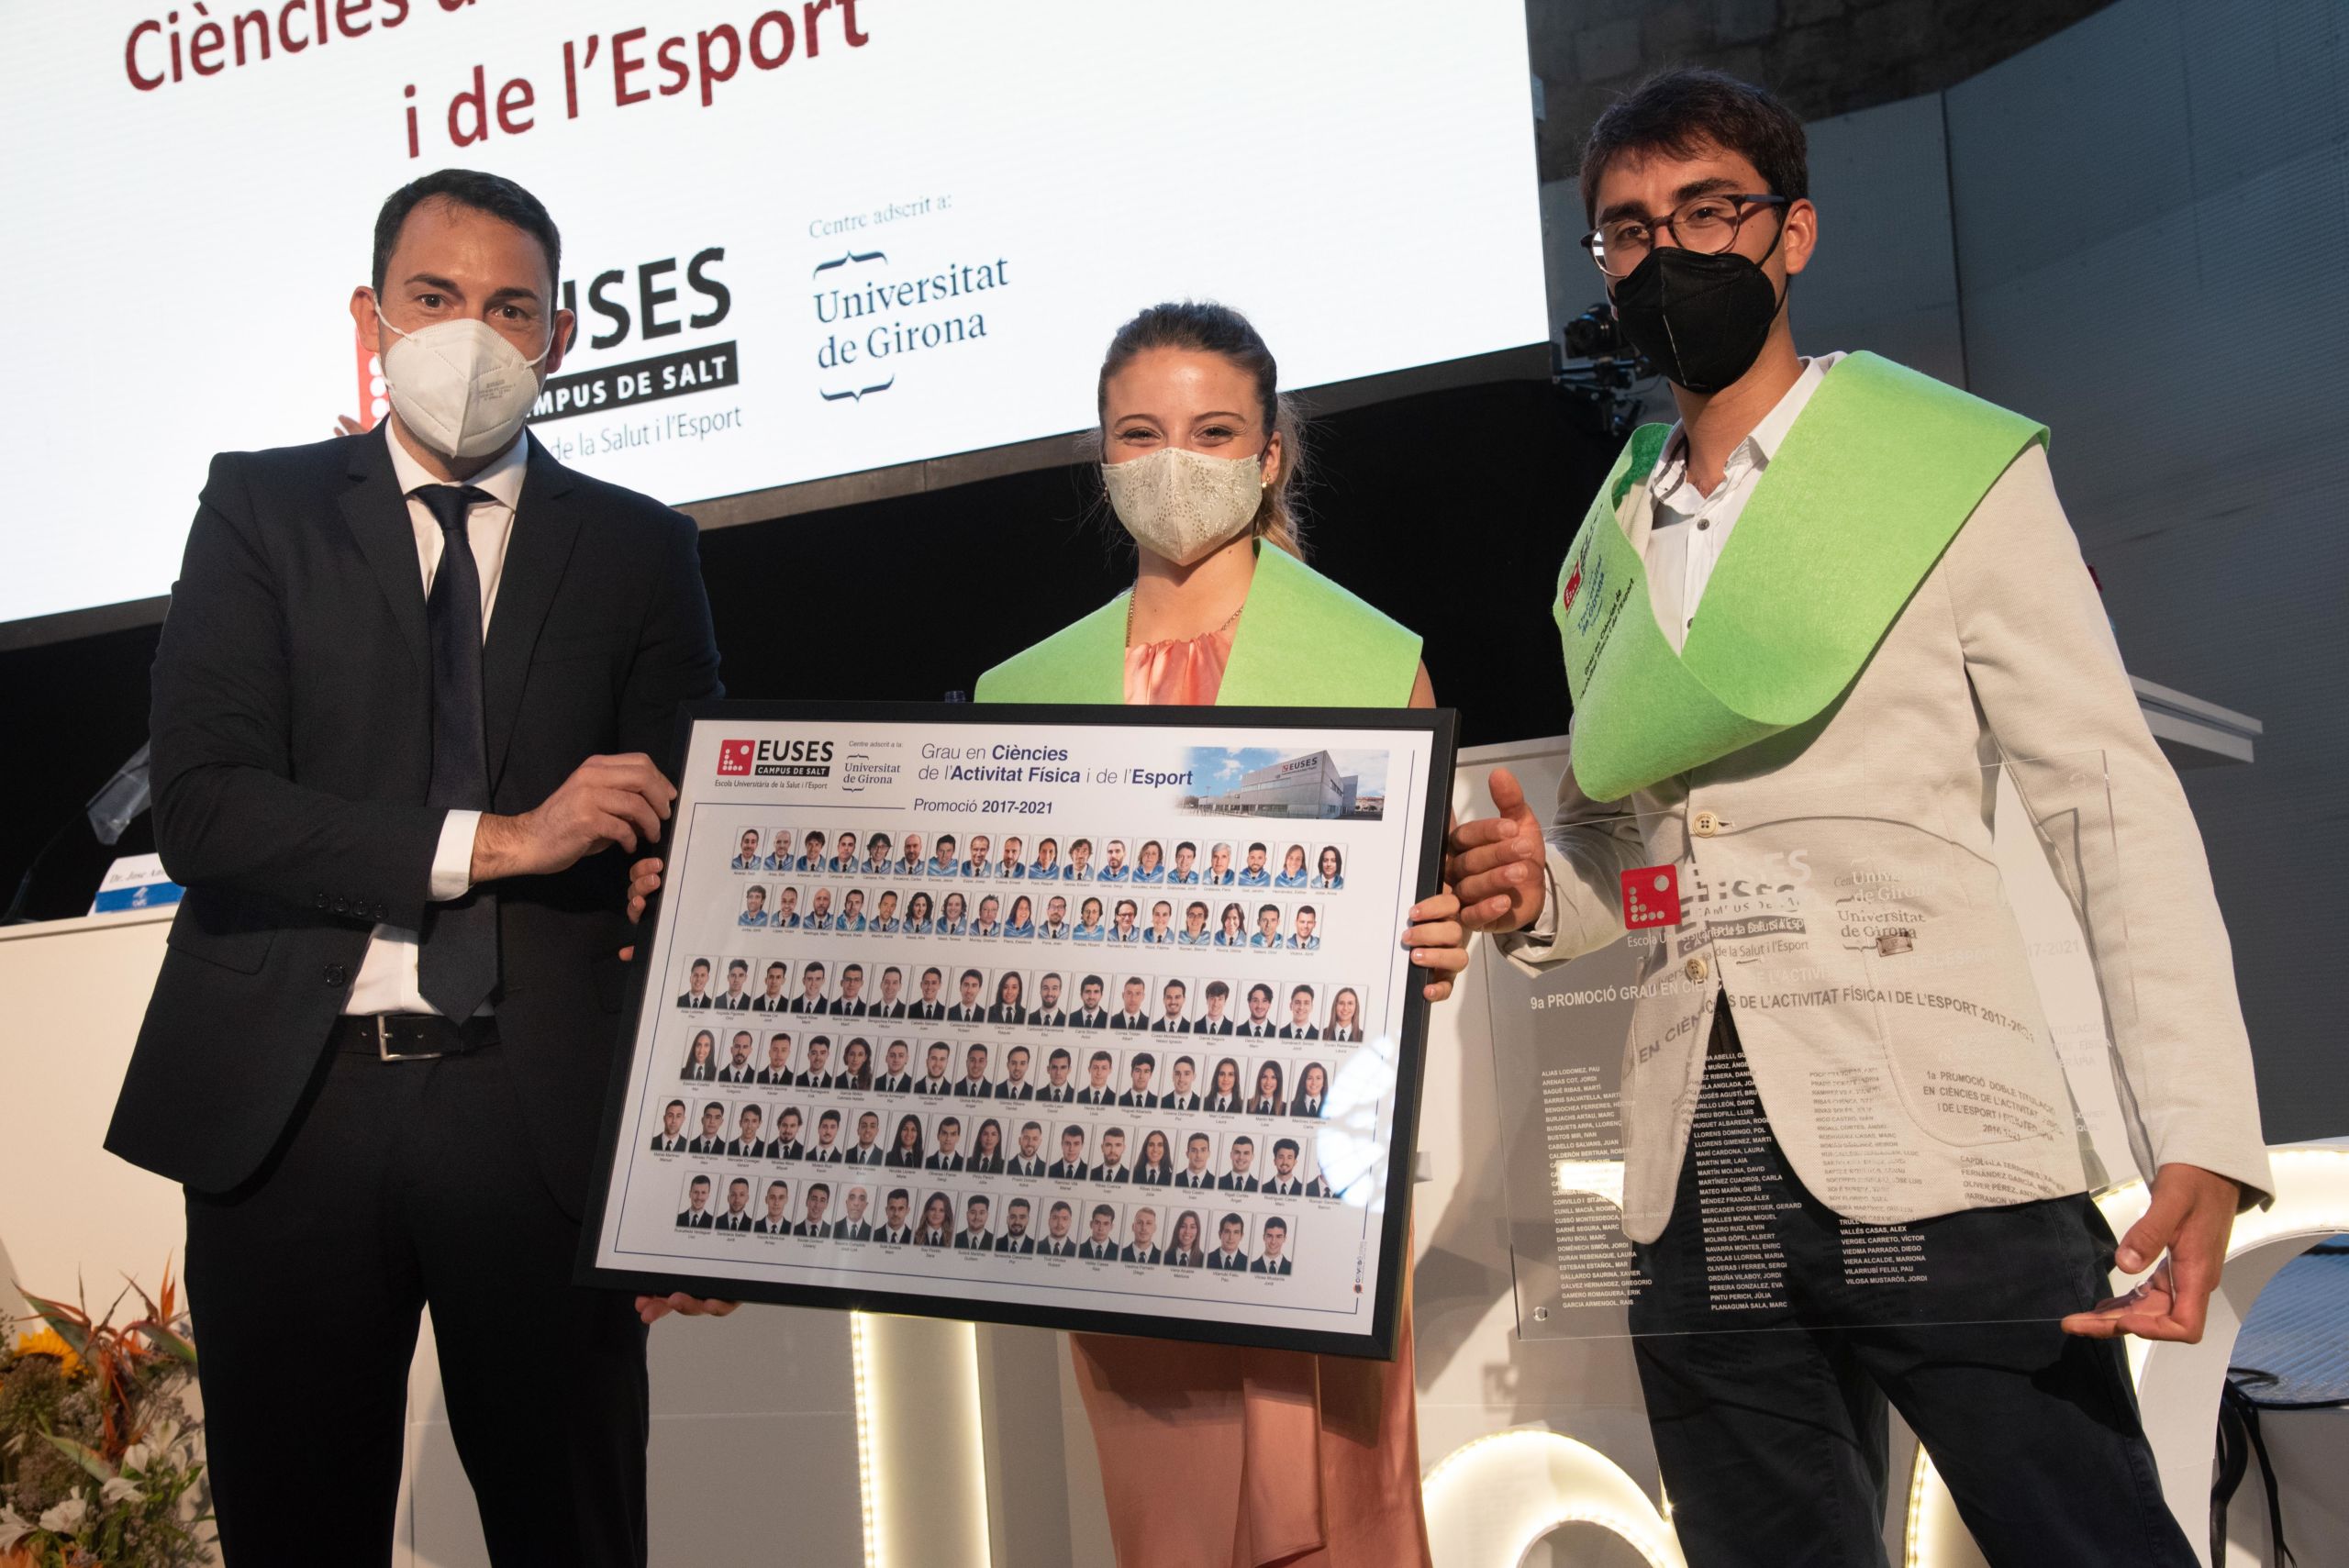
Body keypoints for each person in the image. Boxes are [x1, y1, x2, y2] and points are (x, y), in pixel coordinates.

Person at [1442, 70, 2274, 1568]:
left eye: (1708, 212)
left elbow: (2107, 802)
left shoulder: (1941, 470)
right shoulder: (1605, 542)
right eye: (1628, 230)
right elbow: (1628, 854)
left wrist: (2199, 1131)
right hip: (1695, 1168)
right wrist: (1537, 889)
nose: (1666, 253)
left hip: (1945, 1145)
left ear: (1794, 232)